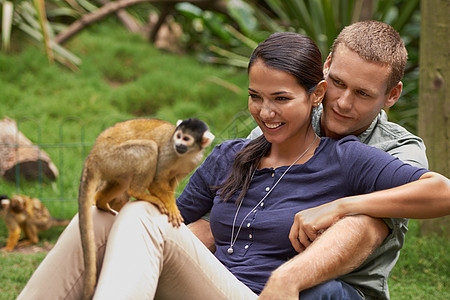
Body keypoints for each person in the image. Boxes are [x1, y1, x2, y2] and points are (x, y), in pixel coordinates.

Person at [18, 32, 449, 300]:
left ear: (310, 94)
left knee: (142, 216)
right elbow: (173, 228)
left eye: (281, 99)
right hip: (210, 283)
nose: (266, 112)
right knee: (100, 218)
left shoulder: (352, 155)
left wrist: (339, 206)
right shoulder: (238, 152)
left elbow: (434, 196)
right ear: (326, 77)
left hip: (280, 292)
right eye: (256, 97)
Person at [189, 19, 450, 295]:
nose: (342, 102)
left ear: (392, 95)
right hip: (256, 273)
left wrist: (341, 206)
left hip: (339, 288)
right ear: (326, 67)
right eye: (338, 83)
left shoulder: (397, 148)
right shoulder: (286, 119)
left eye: (362, 93)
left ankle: (286, 281)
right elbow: (215, 220)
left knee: (366, 218)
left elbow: (440, 193)